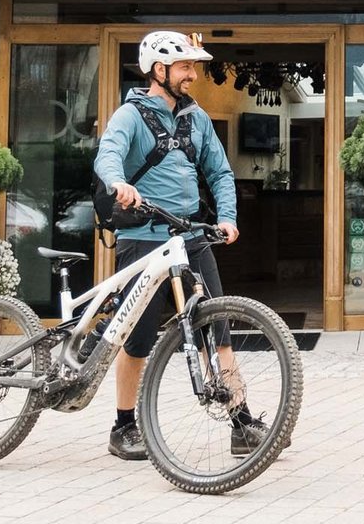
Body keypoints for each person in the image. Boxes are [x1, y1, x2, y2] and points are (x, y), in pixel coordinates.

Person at [94, 29, 263, 462]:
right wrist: (118, 182)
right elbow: (108, 154)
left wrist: (227, 216)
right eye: (186, 67)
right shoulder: (131, 115)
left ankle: (241, 422)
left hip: (189, 236)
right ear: (159, 69)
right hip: (143, 238)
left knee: (218, 326)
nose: (193, 75)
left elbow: (221, 173)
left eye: (193, 67)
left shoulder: (196, 117)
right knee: (138, 337)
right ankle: (124, 425)